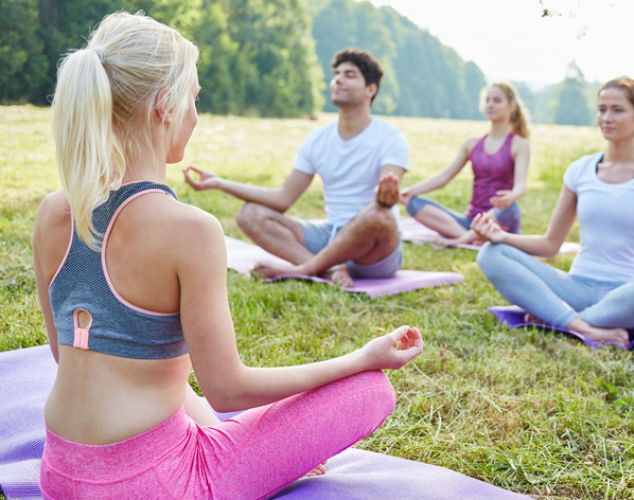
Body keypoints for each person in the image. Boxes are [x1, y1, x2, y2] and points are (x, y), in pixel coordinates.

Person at [32, 13, 423, 500]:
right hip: (157, 486)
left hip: (61, 473)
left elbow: (64, 356)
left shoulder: (53, 212)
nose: (196, 115)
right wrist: (361, 358)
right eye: (194, 98)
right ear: (163, 107)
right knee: (371, 390)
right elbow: (228, 389)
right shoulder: (188, 229)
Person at [473, 78, 634, 349]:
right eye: (602, 109)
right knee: (491, 253)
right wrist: (501, 237)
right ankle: (583, 327)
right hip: (575, 288)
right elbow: (550, 245)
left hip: (626, 296)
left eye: (617, 110)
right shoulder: (580, 170)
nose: (606, 117)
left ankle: (557, 319)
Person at [184, 48, 409, 288]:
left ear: (371, 90)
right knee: (250, 215)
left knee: (378, 215)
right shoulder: (318, 139)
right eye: (336, 74)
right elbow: (283, 199)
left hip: (373, 249)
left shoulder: (390, 137)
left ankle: (306, 269)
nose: (338, 80)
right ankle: (329, 269)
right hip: (330, 236)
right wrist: (219, 182)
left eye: (350, 75)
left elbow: (386, 194)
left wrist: (386, 198)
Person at [399, 82, 530, 245]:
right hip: (470, 222)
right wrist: (408, 192)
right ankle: (470, 237)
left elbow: (521, 185)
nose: (490, 104)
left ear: (511, 106)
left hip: (500, 219)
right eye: (487, 100)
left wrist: (512, 196)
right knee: (413, 204)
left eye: (497, 100)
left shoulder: (519, 144)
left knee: (511, 208)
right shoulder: (472, 144)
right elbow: (444, 177)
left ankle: (463, 239)